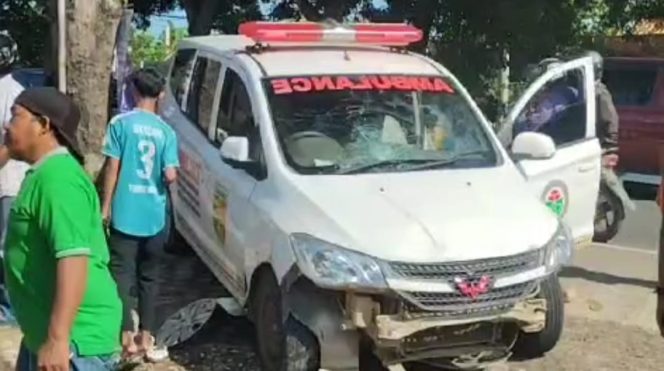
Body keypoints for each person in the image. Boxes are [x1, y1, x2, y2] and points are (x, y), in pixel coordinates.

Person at [3, 87, 122, 370]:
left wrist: (58, 339)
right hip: (46, 334)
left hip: (76, 344)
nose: (7, 124)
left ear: (43, 125)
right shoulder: (45, 174)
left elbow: (73, 258)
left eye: (15, 116)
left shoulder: (58, 180)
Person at [101, 67, 179, 362]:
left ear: (133, 91)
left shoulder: (120, 124)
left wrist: (105, 207)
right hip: (154, 215)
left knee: (121, 275)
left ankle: (124, 341)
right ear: (160, 94)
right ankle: (146, 338)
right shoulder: (166, 131)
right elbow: (170, 175)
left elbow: (113, 167)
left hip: (125, 211)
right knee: (150, 277)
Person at [0, 31, 30, 324]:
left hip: (9, 183)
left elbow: (11, 143)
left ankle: (11, 308)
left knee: (8, 247)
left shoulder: (13, 93)